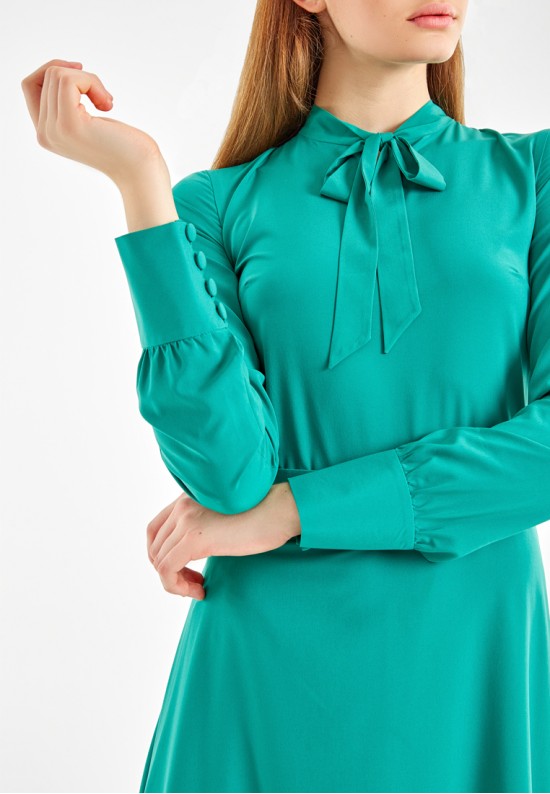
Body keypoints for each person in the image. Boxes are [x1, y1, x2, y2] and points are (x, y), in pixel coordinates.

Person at [21, 0, 550, 791]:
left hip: (470, 658)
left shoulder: (533, 177)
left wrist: (294, 511)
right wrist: (141, 184)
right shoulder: (214, 205)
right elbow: (229, 477)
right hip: (265, 672)